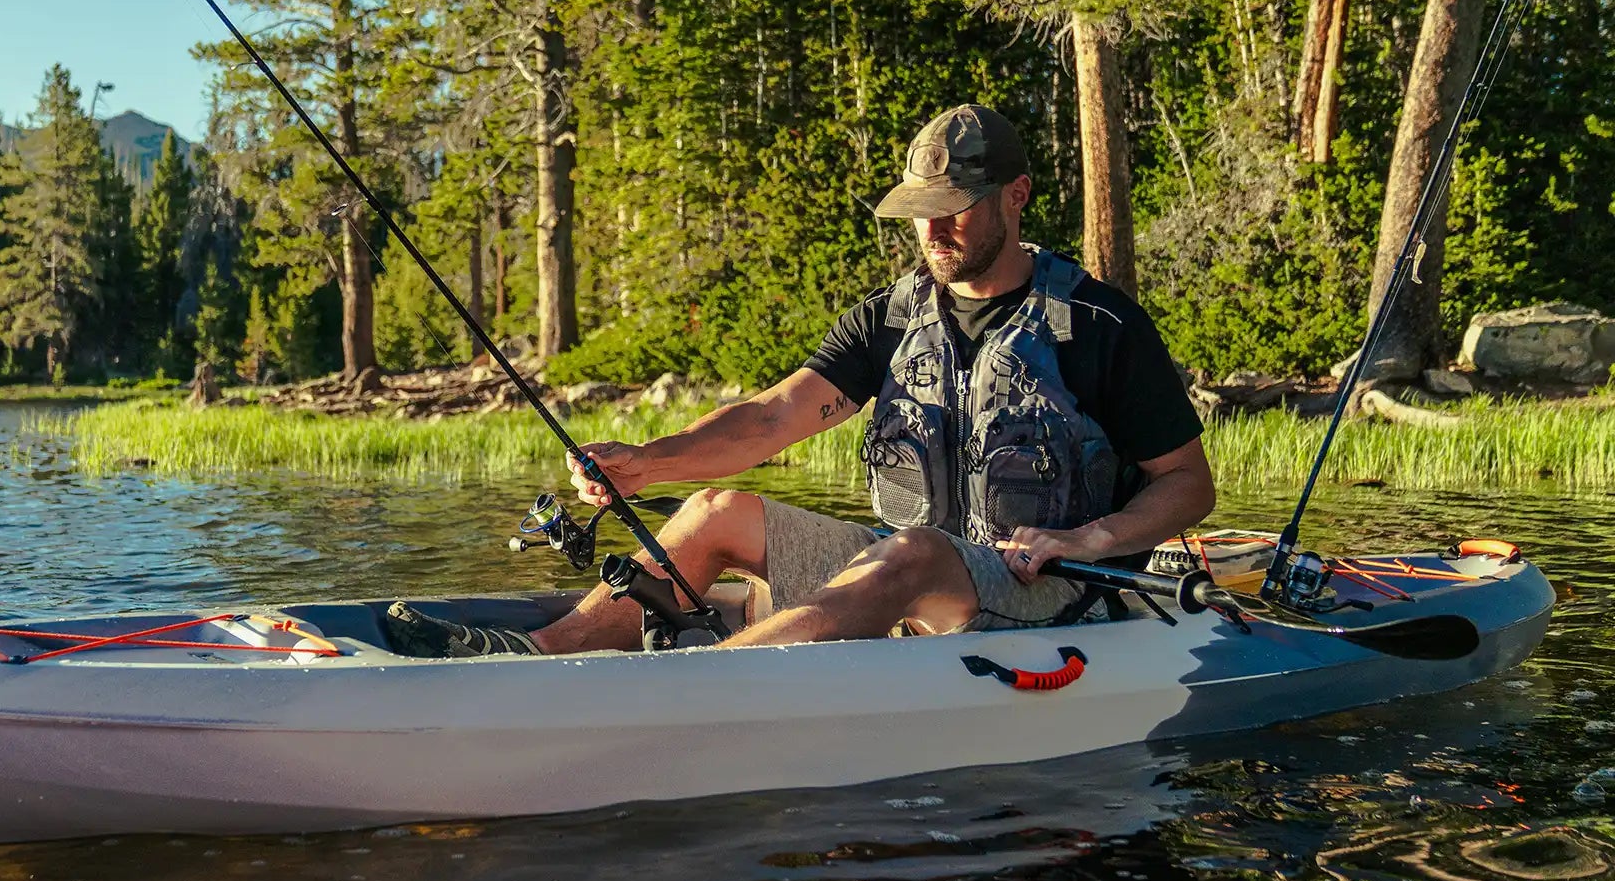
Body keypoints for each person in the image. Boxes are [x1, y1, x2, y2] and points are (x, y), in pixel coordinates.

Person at [385, 103, 1213, 658]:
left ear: (1016, 196)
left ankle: (693, 692)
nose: (932, 226)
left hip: (1049, 598)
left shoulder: (1098, 325)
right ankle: (534, 658)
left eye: (955, 204)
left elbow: (1187, 486)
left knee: (917, 553)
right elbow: (772, 418)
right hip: (909, 577)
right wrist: (649, 461)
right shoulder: (890, 318)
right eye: (921, 206)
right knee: (715, 514)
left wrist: (1085, 541)